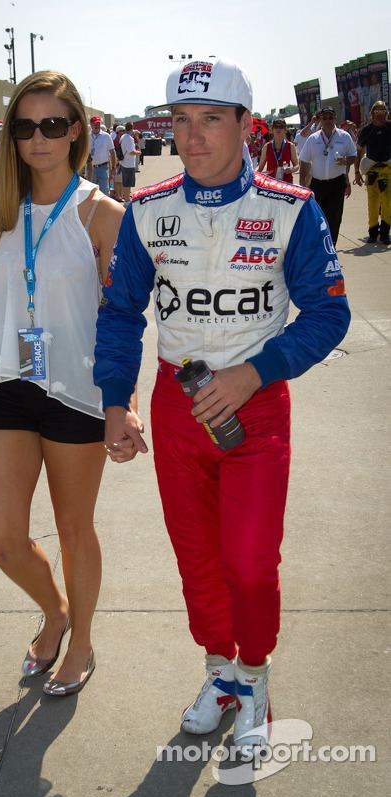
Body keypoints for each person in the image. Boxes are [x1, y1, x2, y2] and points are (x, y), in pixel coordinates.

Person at [94, 56, 350, 752]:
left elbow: (328, 316)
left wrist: (256, 372)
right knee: (196, 558)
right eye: (181, 119)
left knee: (247, 560)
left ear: (245, 124)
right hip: (176, 406)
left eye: (211, 119)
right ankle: (218, 671)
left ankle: (255, 676)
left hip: (255, 407)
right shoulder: (147, 211)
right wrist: (115, 402)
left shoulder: (288, 209)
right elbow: (119, 314)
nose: (193, 135)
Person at [0, 69, 124, 697]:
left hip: (78, 389)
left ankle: (79, 642)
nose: (38, 139)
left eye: (53, 124)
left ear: (76, 130)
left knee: (75, 528)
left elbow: (122, 323)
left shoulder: (102, 216)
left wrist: (120, 403)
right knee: (2, 537)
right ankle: (54, 609)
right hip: (10, 384)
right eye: (25, 127)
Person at [299, 107, 357, 245]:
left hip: (337, 183)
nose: (328, 120)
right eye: (324, 118)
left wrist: (345, 161)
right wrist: (302, 183)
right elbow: (305, 161)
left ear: (335, 118)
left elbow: (353, 156)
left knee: (335, 217)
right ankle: (319, 247)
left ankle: (331, 247)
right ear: (321, 120)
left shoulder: (344, 136)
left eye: (330, 117)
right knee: (317, 218)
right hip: (317, 184)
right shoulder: (313, 139)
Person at [354, 100, 391, 244]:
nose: (380, 114)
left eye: (383, 111)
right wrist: (357, 172)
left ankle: (385, 233)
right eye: (377, 111)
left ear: (386, 112)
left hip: (387, 170)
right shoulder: (366, 130)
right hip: (371, 172)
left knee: (387, 203)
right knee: (373, 203)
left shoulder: (390, 128)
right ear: (372, 113)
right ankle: (373, 233)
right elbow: (359, 151)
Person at [89, 115, 116, 196]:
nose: (97, 125)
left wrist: (113, 168)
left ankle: (105, 207)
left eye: (98, 123)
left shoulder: (106, 136)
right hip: (91, 168)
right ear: (91, 124)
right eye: (94, 124)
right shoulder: (87, 136)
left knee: (104, 191)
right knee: (92, 192)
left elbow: (112, 152)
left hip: (103, 167)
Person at [119, 122, 141, 203]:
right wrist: (138, 152)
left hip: (124, 162)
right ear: (132, 128)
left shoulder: (123, 136)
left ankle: (126, 198)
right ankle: (127, 200)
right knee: (128, 183)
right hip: (129, 163)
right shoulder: (129, 138)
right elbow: (131, 152)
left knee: (125, 182)